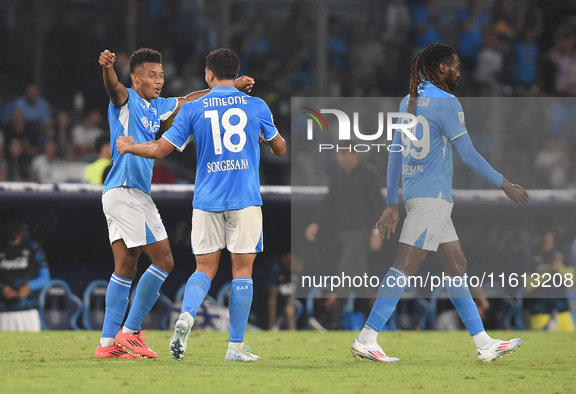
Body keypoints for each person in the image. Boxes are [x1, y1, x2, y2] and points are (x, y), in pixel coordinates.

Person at [350, 43, 529, 363]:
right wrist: (505, 184)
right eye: (456, 65)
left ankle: (484, 342)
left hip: (422, 197)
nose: (460, 71)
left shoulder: (410, 100)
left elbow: (394, 155)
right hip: (432, 199)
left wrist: (393, 203)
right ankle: (367, 337)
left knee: (456, 266)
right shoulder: (447, 103)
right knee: (406, 265)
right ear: (442, 69)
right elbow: (469, 155)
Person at [116, 48, 286, 362]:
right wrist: (266, 139)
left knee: (204, 268)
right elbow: (280, 147)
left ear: (208, 75)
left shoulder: (194, 110)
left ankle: (187, 316)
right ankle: (235, 347)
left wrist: (130, 146)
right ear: (235, 76)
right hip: (244, 199)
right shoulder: (257, 106)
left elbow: (159, 149)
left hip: (206, 199)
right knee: (242, 271)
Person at [305, 149, 384, 330]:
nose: (340, 159)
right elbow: (328, 201)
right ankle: (373, 323)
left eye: (344, 155)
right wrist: (316, 222)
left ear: (354, 154)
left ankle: (333, 320)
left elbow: (377, 203)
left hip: (362, 232)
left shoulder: (369, 173)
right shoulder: (339, 175)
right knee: (359, 279)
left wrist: (376, 231)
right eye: (339, 155)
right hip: (344, 233)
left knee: (345, 273)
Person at [0, 210, 50, 331]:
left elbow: (45, 277)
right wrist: (2, 288)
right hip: (3, 310)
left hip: (29, 310)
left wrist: (29, 286)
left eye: (17, 225)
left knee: (32, 349)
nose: (15, 229)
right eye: (11, 225)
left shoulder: (32, 247)